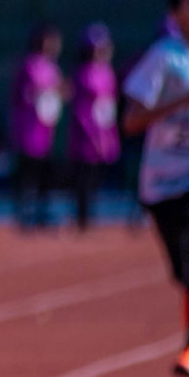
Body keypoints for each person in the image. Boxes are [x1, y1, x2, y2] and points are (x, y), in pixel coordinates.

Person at [123, 0, 189, 376]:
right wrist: (179, 101)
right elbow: (131, 121)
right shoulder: (164, 58)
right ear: (174, 11)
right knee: (185, 273)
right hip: (164, 184)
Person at [11, 21, 67, 229]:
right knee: (27, 173)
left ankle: (42, 213)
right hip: (28, 130)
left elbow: (58, 91)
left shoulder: (52, 66)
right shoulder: (29, 64)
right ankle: (25, 213)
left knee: (45, 174)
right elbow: (29, 93)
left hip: (46, 132)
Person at [68, 23, 120, 231]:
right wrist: (93, 135)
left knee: (96, 177)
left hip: (103, 132)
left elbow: (109, 106)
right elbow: (81, 110)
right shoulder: (83, 74)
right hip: (85, 136)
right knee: (83, 177)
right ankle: (82, 218)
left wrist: (108, 136)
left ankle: (90, 216)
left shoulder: (107, 72)